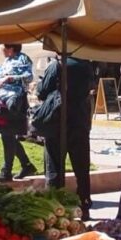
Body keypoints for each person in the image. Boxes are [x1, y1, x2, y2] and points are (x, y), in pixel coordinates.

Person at [37, 57, 94, 218]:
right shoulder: (85, 65)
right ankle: (84, 204)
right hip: (80, 123)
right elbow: (90, 87)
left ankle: (56, 208)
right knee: (82, 169)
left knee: (54, 168)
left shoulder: (56, 65)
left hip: (57, 124)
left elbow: (42, 91)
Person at [0, 43, 36, 182]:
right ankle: (26, 165)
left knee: (8, 135)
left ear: (11, 49)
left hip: (15, 103)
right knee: (8, 135)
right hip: (2, 102)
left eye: (4, 48)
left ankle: (7, 171)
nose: (2, 50)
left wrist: (9, 78)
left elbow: (29, 77)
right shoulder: (7, 61)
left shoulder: (23, 59)